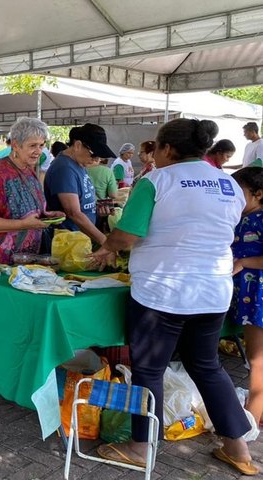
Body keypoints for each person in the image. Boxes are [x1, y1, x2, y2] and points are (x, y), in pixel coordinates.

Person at [91, 118, 256, 476]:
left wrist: (107, 248)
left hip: (161, 292)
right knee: (207, 366)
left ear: (166, 149)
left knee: (148, 369)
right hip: (212, 291)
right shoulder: (228, 184)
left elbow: (127, 234)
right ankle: (238, 449)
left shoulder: (157, 180)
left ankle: (140, 446)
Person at [0, 117, 63, 267]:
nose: (38, 151)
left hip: (23, 261)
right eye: (32, 145)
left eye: (41, 145)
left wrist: (46, 215)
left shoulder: (28, 170)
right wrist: (23, 224)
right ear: (15, 145)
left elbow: (28, 207)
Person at [230, 167, 263, 431]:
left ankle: (249, 419)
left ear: (258, 194)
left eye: (238, 193)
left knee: (257, 359)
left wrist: (243, 261)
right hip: (250, 295)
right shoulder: (243, 218)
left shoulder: (260, 219)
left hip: (259, 297)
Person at [44, 124, 113, 246]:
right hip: (68, 243)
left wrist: (96, 209)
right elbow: (74, 213)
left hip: (79, 240)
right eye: (93, 154)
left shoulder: (78, 164)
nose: (95, 160)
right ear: (77, 145)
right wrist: (105, 241)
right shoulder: (64, 168)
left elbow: (81, 202)